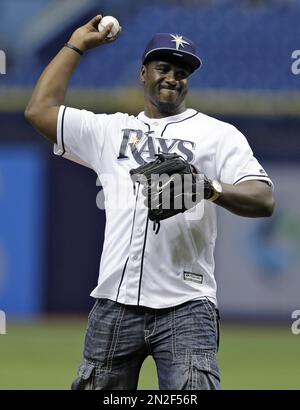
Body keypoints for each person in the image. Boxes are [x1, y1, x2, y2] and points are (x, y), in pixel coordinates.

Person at [25, 15, 275, 390]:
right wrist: (76, 44)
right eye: (163, 67)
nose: (173, 77)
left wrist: (209, 187)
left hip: (187, 305)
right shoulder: (109, 131)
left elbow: (264, 198)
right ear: (143, 73)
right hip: (114, 302)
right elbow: (38, 110)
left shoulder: (218, 135)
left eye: (182, 71)